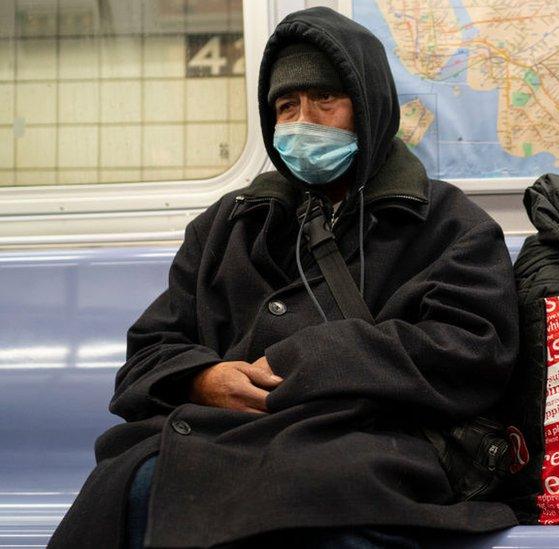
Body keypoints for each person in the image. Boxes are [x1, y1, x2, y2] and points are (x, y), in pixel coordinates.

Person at [49, 7, 519, 548]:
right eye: (286, 105)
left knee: (319, 500)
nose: (304, 121)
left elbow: (471, 351)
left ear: (368, 107)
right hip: (226, 436)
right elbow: (150, 352)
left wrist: (312, 361)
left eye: (326, 100)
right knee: (134, 483)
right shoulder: (229, 224)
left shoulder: (448, 224)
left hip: (371, 440)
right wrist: (202, 379)